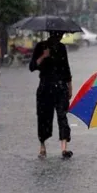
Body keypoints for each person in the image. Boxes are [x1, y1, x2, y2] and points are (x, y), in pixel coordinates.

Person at [29, 31, 73, 159]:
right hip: (45, 87)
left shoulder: (61, 47)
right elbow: (32, 66)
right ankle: (42, 147)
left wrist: (70, 86)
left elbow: (66, 68)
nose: (59, 38)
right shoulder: (40, 46)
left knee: (62, 116)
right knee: (43, 117)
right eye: (58, 35)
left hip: (61, 88)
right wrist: (43, 56)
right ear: (52, 35)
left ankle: (64, 148)